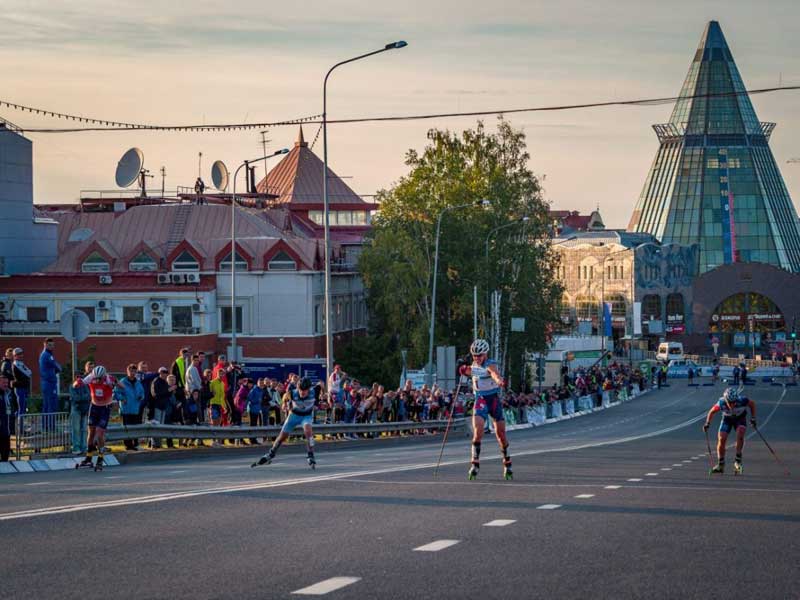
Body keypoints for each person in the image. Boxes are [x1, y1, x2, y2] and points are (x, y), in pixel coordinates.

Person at [459, 338, 511, 480]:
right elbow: (471, 371)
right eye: (474, 355)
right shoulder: (474, 365)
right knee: (478, 430)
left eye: (479, 355)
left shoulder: (490, 364)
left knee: (501, 435)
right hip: (480, 399)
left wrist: (499, 380)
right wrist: (464, 370)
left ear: (485, 354)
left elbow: (493, 373)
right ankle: (475, 463)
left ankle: (507, 461)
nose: (477, 358)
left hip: (493, 400)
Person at [253, 377, 318, 469]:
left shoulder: (314, 392)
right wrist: (284, 405)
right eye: (300, 390)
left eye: (305, 390)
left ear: (309, 389)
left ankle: (310, 454)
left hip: (306, 416)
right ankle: (270, 454)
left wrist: (321, 403)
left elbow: (323, 394)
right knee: (282, 437)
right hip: (294, 416)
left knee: (308, 432)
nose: (302, 392)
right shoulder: (293, 393)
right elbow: (284, 398)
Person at [703, 386, 757, 475]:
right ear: (726, 399)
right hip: (727, 419)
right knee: (721, 438)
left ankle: (738, 460)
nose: (731, 405)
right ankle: (721, 464)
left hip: (740, 419)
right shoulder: (721, 402)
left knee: (740, 434)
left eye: (734, 402)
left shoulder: (742, 400)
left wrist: (753, 418)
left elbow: (752, 404)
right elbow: (711, 412)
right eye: (729, 402)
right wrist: (707, 423)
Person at [76, 366, 116, 471]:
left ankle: (100, 457)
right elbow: (77, 384)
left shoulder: (108, 379)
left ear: (104, 376)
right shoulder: (90, 377)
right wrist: (77, 383)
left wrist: (114, 385)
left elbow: (119, 386)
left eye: (100, 378)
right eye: (96, 378)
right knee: (91, 432)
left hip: (105, 408)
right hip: (94, 407)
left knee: (99, 433)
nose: (98, 380)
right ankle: (88, 457)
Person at [114, 363, 144, 450]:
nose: (132, 373)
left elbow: (142, 393)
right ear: (127, 371)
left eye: (134, 371)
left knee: (135, 427)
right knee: (126, 428)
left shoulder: (138, 383)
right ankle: (128, 445)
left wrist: (141, 397)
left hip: (135, 408)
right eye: (131, 371)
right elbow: (116, 393)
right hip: (126, 408)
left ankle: (135, 444)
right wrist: (122, 398)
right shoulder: (122, 381)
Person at [38, 338, 62, 430]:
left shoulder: (47, 355)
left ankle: (47, 427)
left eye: (52, 345)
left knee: (47, 405)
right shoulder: (47, 355)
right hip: (49, 383)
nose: (51, 347)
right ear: (45, 344)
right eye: (49, 345)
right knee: (50, 405)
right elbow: (58, 367)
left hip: (48, 382)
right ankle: (50, 427)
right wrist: (57, 369)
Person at [11, 348, 32, 430]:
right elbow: (28, 372)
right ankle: (20, 429)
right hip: (20, 388)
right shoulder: (16, 364)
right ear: (15, 356)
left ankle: (18, 427)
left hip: (23, 388)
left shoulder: (20, 363)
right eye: (19, 354)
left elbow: (30, 372)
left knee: (23, 408)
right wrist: (27, 373)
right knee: (21, 409)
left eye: (21, 354)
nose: (21, 355)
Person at [0, 374, 18, 462]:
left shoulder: (9, 393)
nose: (6, 384)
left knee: (6, 450)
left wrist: (14, 413)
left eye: (7, 382)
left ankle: (5, 461)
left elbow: (13, 405)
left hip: (6, 428)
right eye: (3, 382)